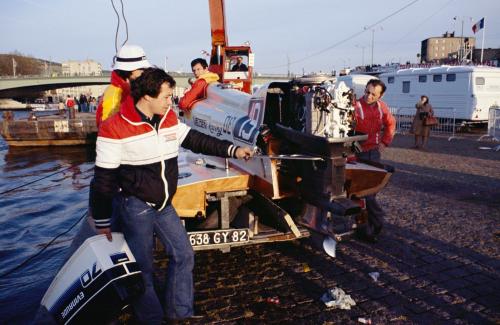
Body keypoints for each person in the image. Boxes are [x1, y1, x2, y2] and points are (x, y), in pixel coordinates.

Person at [92, 67, 253, 323]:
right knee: (143, 268)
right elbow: (103, 179)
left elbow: (197, 140)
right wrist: (100, 219)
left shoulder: (167, 118)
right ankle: (152, 318)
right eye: (167, 96)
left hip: (164, 204)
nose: (171, 101)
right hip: (135, 206)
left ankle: (179, 313)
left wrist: (234, 150)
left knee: (183, 254)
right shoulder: (115, 128)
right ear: (147, 96)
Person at [354, 79, 396, 243]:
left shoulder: (382, 107)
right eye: (367, 92)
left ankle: (376, 223)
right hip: (356, 154)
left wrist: (385, 142)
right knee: (357, 195)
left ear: (381, 95)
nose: (368, 96)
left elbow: (391, 124)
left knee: (369, 194)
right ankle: (364, 228)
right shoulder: (354, 106)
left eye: (373, 94)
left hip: (373, 154)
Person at [95, 44, 152, 127]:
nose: (144, 72)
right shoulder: (114, 93)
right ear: (128, 70)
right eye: (141, 68)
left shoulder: (129, 89)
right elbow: (108, 127)